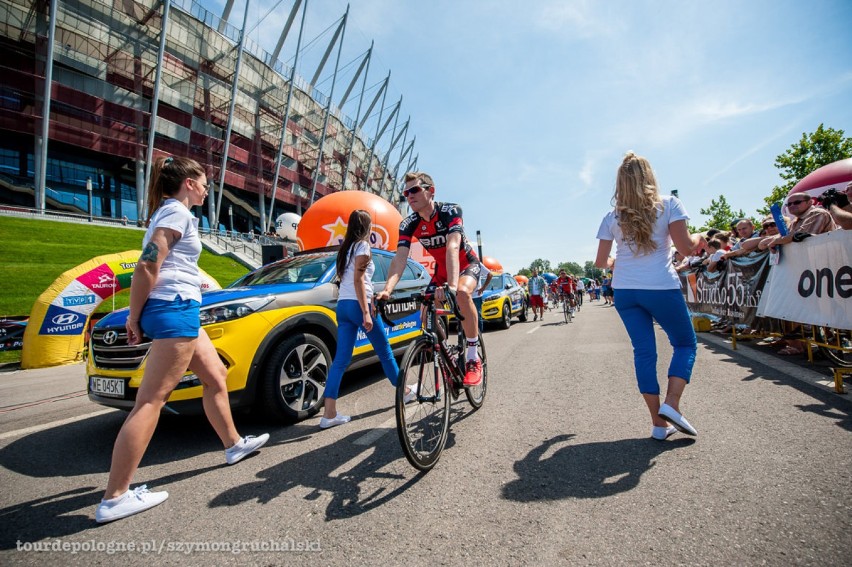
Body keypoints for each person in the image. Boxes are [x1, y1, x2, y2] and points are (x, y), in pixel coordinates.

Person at [95, 156, 268, 524]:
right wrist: (133, 315)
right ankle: (115, 497)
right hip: (174, 307)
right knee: (150, 401)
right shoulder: (176, 212)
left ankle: (234, 445)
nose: (208, 188)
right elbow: (146, 264)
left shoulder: (171, 212)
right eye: (204, 181)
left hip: (178, 307)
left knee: (215, 376)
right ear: (188, 183)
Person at [595, 151, 705, 441]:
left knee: (644, 353)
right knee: (684, 343)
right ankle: (672, 404)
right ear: (649, 177)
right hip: (660, 286)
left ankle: (658, 424)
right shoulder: (669, 204)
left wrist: (617, 262)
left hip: (625, 291)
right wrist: (701, 238)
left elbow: (600, 262)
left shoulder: (611, 216)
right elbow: (687, 248)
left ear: (620, 183)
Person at [375, 171, 485, 387]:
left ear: (431, 191)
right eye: (406, 192)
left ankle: (473, 357)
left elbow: (452, 246)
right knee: (426, 315)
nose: (409, 195)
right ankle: (447, 355)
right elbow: (400, 258)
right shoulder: (409, 223)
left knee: (462, 293)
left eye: (414, 190)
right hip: (442, 272)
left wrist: (451, 287)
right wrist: (387, 290)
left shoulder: (450, 211)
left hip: (465, 265)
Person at [320, 210, 416, 429]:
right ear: (366, 226)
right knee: (385, 352)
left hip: (343, 306)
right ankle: (406, 392)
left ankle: (329, 414)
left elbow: (347, 280)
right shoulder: (363, 246)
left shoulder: (345, 248)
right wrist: (365, 312)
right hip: (358, 305)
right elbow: (359, 280)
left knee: (340, 361)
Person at [472, 268, 494, 332]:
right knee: (463, 318)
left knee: (477, 317)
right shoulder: (458, 262)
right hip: (463, 296)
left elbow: (490, 274)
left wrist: (483, 287)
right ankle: (466, 338)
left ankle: (479, 337)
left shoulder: (476, 263)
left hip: (476, 296)